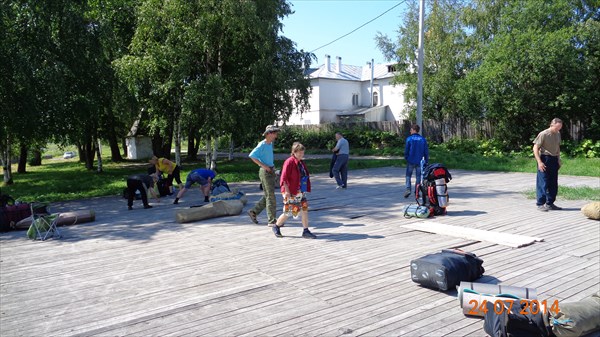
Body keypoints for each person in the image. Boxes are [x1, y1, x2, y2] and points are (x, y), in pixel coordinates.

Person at [271, 142, 317, 239]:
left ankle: (306, 231)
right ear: (294, 152)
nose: (301, 154)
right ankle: (276, 226)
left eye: (302, 152)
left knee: (304, 209)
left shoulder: (300, 162)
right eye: (299, 152)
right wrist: (287, 191)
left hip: (300, 191)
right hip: (291, 191)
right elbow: (283, 178)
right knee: (289, 212)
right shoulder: (289, 162)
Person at [247, 125, 280, 226]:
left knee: (268, 195)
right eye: (274, 133)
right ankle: (272, 220)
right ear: (269, 134)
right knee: (271, 197)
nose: (276, 135)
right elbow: (252, 155)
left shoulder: (269, 144)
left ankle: (254, 212)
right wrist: (265, 166)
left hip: (270, 170)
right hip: (265, 172)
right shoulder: (262, 144)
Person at [533, 118, 563, 211]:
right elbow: (535, 148)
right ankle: (540, 204)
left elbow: (557, 147)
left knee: (553, 182)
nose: (558, 129)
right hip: (544, 159)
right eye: (557, 127)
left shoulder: (558, 134)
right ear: (551, 125)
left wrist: (558, 159)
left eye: (560, 128)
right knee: (543, 182)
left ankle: (550, 203)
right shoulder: (543, 134)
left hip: (554, 159)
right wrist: (539, 162)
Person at [404, 124, 429, 198]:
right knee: (418, 177)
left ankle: (408, 189)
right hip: (420, 161)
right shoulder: (422, 139)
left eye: (411, 130)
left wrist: (406, 157)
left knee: (408, 175)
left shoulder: (409, 139)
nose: (410, 131)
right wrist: (426, 160)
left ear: (414, 130)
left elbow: (407, 150)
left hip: (411, 160)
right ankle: (417, 191)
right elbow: (426, 151)